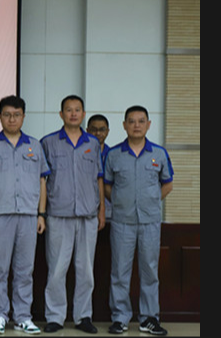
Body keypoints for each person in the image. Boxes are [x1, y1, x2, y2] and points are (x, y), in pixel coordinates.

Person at [0, 95, 49, 335]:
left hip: (28, 215)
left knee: (24, 269)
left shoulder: (34, 146)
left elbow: (42, 181)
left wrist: (41, 214)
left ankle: (23, 316)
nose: (12, 119)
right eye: (7, 115)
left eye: (16, 115)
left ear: (23, 117)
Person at [104, 106, 173, 336]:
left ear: (148, 125)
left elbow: (167, 184)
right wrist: (120, 202)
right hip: (122, 222)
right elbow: (107, 186)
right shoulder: (114, 154)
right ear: (124, 125)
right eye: (131, 121)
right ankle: (120, 318)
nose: (136, 125)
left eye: (141, 121)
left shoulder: (159, 154)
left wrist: (150, 201)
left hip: (150, 222)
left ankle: (149, 318)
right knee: (119, 271)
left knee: (150, 270)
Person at [40, 95, 105, 334]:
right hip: (58, 214)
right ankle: (55, 317)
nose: (73, 114)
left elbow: (98, 178)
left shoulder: (93, 144)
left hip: (88, 215)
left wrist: (101, 210)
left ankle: (83, 316)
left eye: (77, 110)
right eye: (69, 110)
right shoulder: (48, 142)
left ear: (83, 114)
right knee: (57, 269)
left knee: (86, 270)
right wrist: (41, 213)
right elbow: (42, 181)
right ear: (61, 114)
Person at [86, 114, 112, 219]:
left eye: (102, 129)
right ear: (87, 130)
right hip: (86, 209)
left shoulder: (113, 154)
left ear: (108, 131)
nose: (98, 133)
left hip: (109, 210)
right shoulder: (81, 153)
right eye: (94, 130)